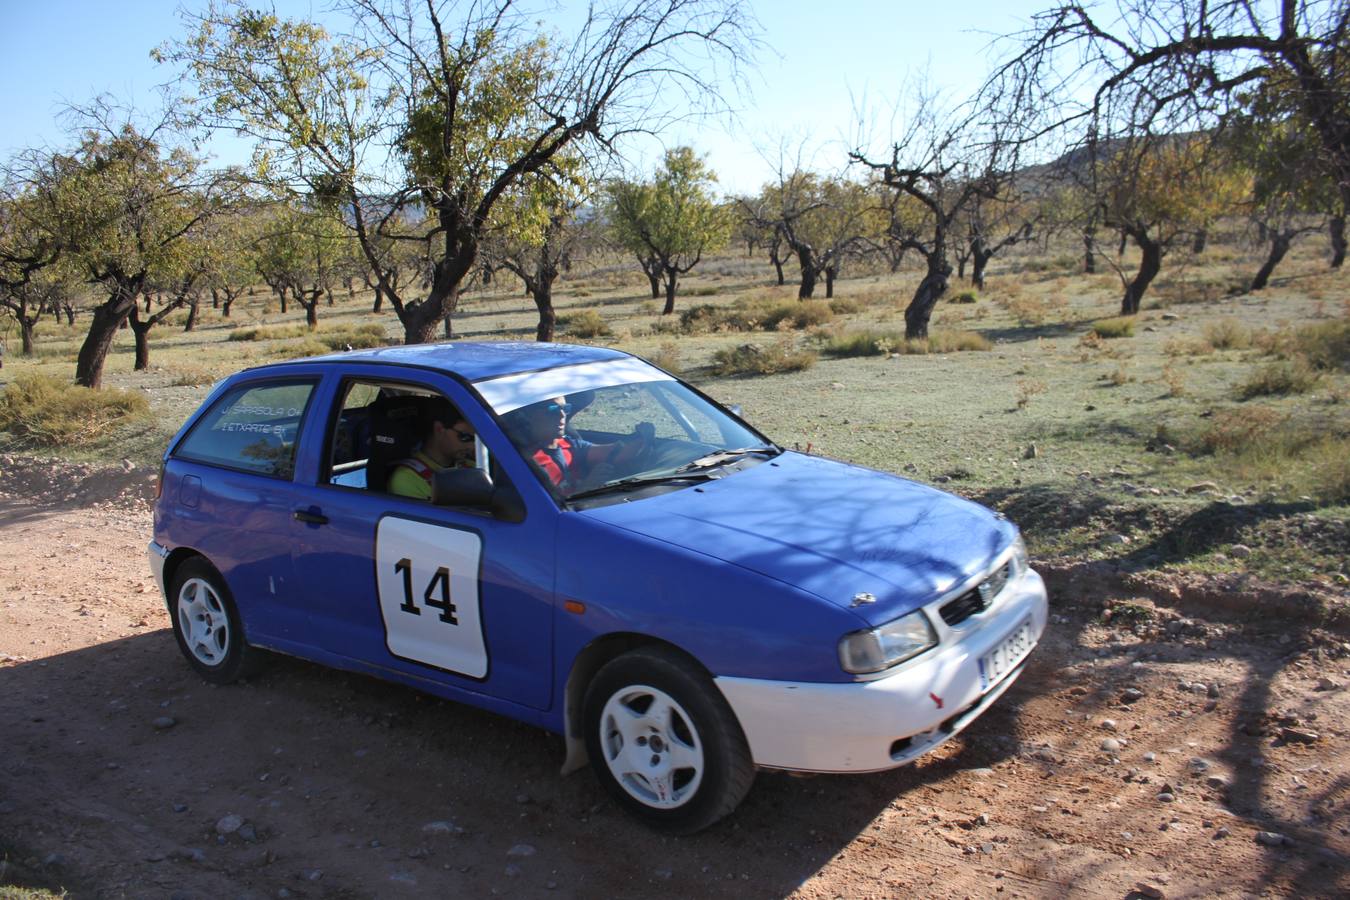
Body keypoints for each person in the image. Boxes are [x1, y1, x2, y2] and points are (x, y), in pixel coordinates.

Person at [513, 395, 650, 491]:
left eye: (565, 408)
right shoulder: (525, 462)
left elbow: (618, 453)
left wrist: (645, 438)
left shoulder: (569, 445)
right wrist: (586, 487)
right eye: (553, 410)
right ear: (531, 416)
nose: (562, 415)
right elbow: (540, 511)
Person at [387, 398, 477, 500]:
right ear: (439, 429)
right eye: (465, 437)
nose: (472, 446)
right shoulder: (407, 479)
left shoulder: (471, 466)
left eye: (476, 439)